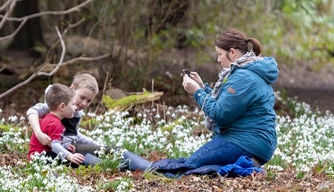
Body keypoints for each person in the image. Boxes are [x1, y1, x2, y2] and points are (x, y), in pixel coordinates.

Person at [155, 28, 278, 175]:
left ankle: (246, 167)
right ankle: (243, 165)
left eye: (220, 54)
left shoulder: (243, 77)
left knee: (188, 167)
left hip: (246, 141)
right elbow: (226, 103)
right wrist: (202, 87)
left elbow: (220, 113)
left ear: (232, 52)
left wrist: (197, 92)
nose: (218, 59)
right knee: (194, 165)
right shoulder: (246, 71)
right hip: (254, 141)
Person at [27, 72, 152, 170]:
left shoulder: (76, 111)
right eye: (82, 97)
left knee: (108, 151)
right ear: (72, 89)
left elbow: (74, 134)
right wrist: (39, 133)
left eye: (89, 101)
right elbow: (33, 111)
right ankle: (132, 167)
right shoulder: (57, 104)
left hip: (73, 147)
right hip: (63, 152)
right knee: (101, 164)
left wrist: (95, 145)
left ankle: (149, 166)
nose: (84, 103)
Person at [27, 83, 87, 164]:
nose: (75, 107)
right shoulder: (55, 123)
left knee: (66, 156)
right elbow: (54, 146)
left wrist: (65, 146)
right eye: (73, 104)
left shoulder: (50, 118)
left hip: (37, 155)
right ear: (62, 106)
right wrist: (70, 156)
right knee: (69, 160)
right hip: (40, 156)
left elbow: (52, 143)